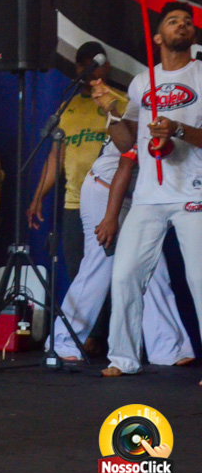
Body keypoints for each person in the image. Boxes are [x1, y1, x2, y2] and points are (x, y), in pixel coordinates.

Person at [100, 1, 202, 382]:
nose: (182, 25)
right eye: (173, 21)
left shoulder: (201, 75)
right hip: (148, 195)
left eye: (187, 22)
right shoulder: (143, 82)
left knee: (200, 280)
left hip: (193, 193)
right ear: (157, 37)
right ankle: (123, 357)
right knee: (124, 274)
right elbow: (127, 141)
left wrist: (178, 130)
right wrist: (111, 113)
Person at [52, 140, 194, 365]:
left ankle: (167, 348)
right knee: (99, 265)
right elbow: (125, 166)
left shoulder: (187, 128)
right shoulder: (151, 122)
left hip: (139, 199)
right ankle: (63, 340)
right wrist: (110, 218)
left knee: (154, 268)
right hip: (106, 191)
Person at [26, 42, 122, 282]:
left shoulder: (121, 101)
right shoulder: (67, 107)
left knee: (111, 275)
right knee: (77, 273)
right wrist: (38, 197)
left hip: (109, 203)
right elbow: (55, 157)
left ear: (106, 66)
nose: (89, 70)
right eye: (83, 65)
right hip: (74, 203)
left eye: (94, 64)